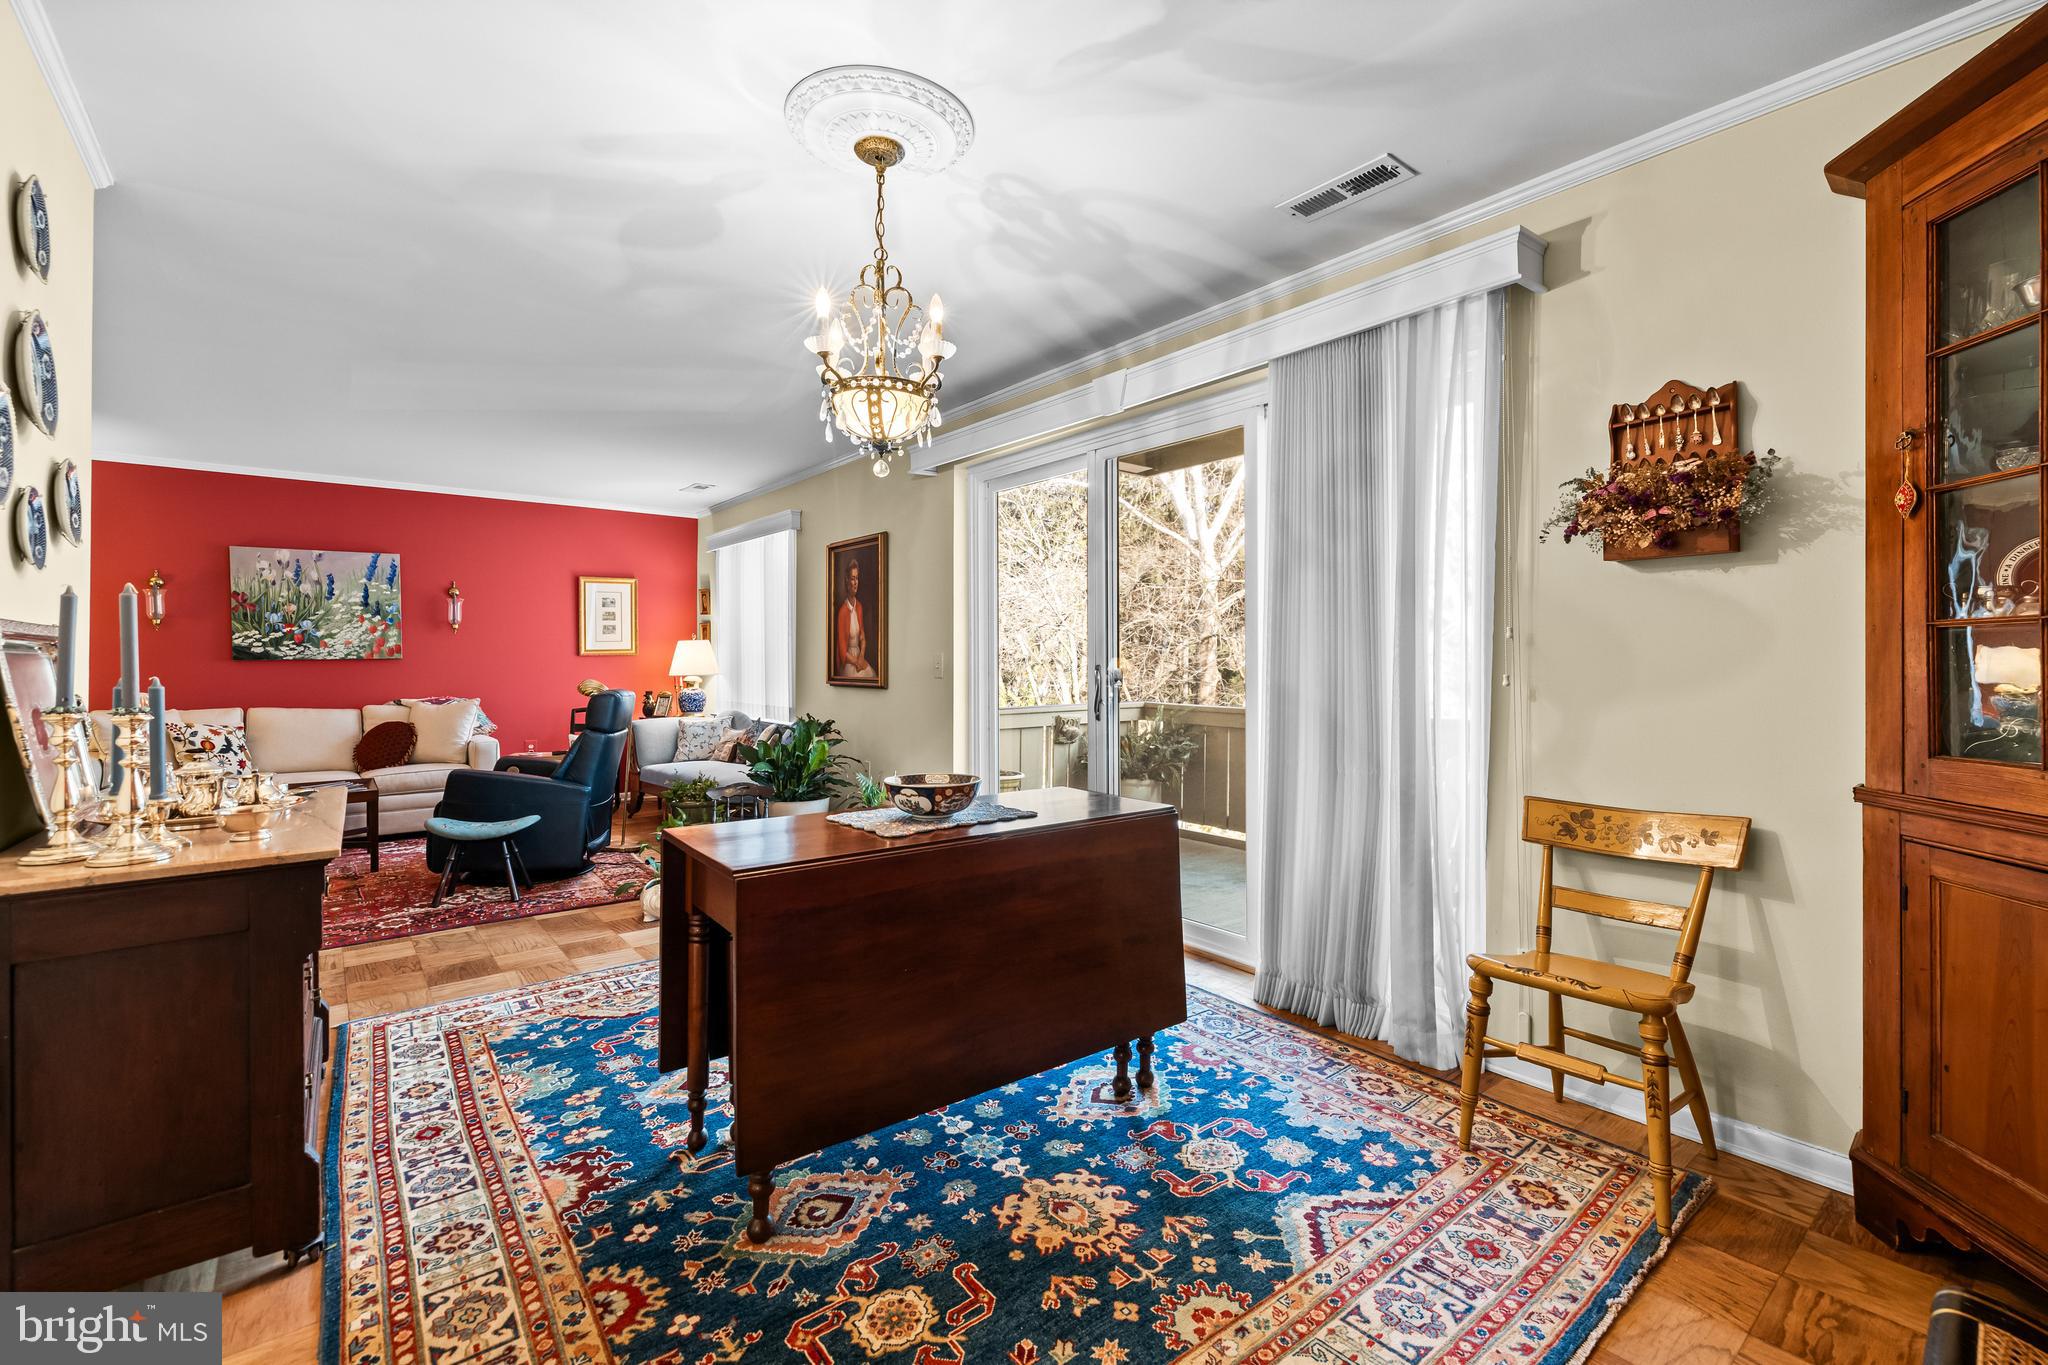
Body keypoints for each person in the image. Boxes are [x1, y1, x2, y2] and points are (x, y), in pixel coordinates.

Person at [834, 559, 876, 681]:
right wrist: (856, 662)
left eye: (857, 578)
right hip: (848, 661)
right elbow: (842, 651)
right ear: (847, 581)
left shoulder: (859, 607)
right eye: (852, 579)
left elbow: (862, 636)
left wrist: (862, 656)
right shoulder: (843, 612)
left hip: (859, 656)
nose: (855, 582)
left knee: (872, 674)